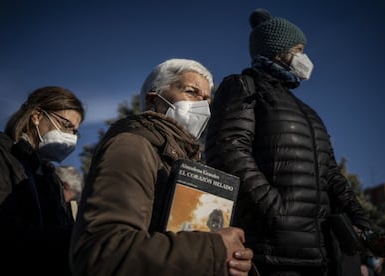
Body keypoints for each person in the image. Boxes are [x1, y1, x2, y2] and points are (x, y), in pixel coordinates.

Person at [204, 8, 373, 276]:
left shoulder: (306, 111)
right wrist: (277, 212)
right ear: (277, 51)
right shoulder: (243, 86)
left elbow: (329, 171)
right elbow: (227, 150)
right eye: (299, 49)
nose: (304, 57)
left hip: (321, 256)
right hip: (271, 255)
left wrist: (359, 217)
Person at [69, 58, 255, 276]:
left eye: (207, 100)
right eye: (191, 92)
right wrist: (214, 249)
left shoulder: (184, 161)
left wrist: (233, 259)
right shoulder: (132, 146)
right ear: (152, 101)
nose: (202, 106)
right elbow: (102, 254)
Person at [0, 86, 85, 275]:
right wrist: (71, 238)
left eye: (75, 132)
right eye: (66, 125)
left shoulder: (49, 176)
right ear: (37, 115)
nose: (70, 137)